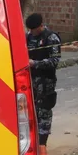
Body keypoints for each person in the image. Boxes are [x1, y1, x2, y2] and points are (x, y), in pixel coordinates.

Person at [25, 13, 60, 146]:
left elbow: (55, 61)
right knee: (30, 110)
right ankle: (31, 142)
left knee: (44, 111)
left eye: (33, 29)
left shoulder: (51, 38)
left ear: (40, 26)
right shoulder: (28, 37)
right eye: (30, 29)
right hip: (30, 80)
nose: (31, 32)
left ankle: (42, 144)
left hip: (46, 81)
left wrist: (35, 63)